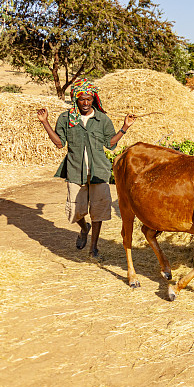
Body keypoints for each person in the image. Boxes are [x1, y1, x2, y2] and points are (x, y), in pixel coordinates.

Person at [37, 79, 135, 258]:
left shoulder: (102, 119)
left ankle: (94, 247)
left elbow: (109, 143)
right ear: (75, 98)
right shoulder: (66, 119)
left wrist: (124, 128)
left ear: (93, 99)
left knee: (98, 211)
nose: (86, 103)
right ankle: (84, 228)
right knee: (75, 210)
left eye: (89, 99)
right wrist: (45, 122)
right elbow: (59, 143)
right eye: (82, 99)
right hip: (75, 171)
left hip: (98, 172)